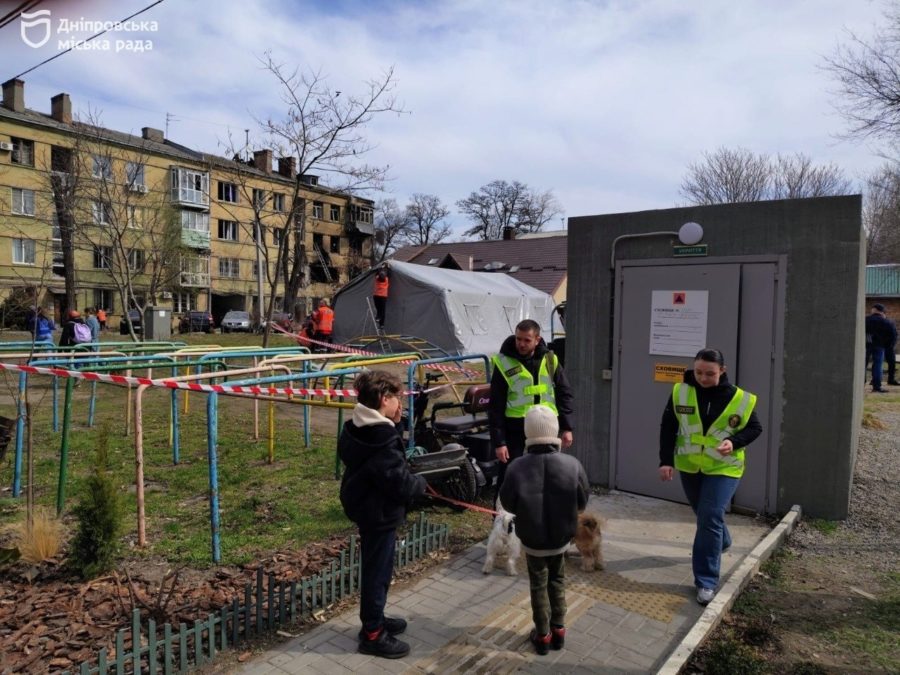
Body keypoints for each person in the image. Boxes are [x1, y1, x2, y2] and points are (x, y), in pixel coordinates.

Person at [658, 348, 763, 605]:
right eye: (699, 372)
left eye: (710, 373)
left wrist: (733, 442)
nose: (703, 378)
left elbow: (755, 428)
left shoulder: (739, 398)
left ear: (722, 371)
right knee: (707, 517)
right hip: (691, 466)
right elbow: (668, 427)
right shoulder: (680, 391)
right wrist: (666, 461)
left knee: (709, 516)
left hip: (724, 467)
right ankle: (723, 540)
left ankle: (705, 582)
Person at [338, 370, 427, 659]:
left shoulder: (358, 426)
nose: (400, 403)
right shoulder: (381, 438)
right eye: (396, 398)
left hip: (366, 506)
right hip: (379, 512)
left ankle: (375, 617)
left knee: (377, 568)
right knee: (378, 572)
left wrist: (395, 423)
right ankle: (373, 633)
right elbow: (399, 482)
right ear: (383, 399)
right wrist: (422, 484)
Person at [499, 405, 589, 655]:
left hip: (532, 538)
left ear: (528, 433)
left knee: (538, 583)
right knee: (558, 579)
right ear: (555, 432)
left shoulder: (516, 467)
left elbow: (507, 503)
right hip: (561, 536)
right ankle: (559, 629)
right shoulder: (572, 464)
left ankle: (543, 635)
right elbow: (582, 502)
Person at [488, 319, 575, 496]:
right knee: (510, 475)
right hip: (516, 428)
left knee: (545, 472)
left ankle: (539, 513)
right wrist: (499, 442)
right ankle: (501, 518)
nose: (521, 344)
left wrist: (567, 427)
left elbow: (564, 394)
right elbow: (495, 406)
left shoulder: (550, 360)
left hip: (545, 429)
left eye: (527, 340)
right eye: (518, 338)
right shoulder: (504, 362)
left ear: (537, 339)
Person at [865, 304, 896, 392]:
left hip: (867, 344)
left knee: (863, 364)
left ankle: (860, 383)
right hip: (880, 346)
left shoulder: (866, 320)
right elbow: (893, 335)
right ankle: (877, 386)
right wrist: (888, 346)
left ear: (874, 310)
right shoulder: (886, 322)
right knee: (878, 365)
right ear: (882, 312)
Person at [373, 263, 390, 329]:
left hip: (376, 296)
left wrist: (381, 266)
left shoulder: (377, 279)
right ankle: (381, 324)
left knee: (379, 309)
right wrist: (387, 266)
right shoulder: (386, 279)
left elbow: (377, 271)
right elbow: (388, 272)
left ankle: (378, 317)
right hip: (383, 296)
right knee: (382, 310)